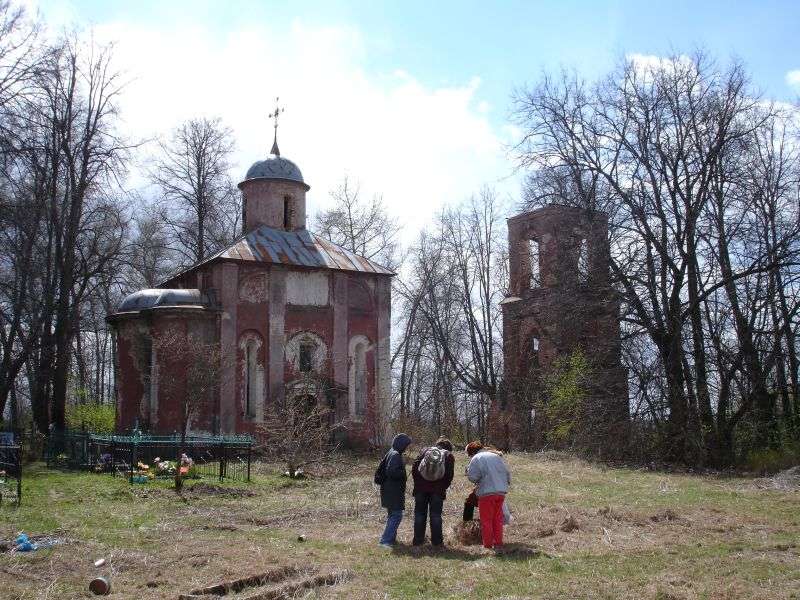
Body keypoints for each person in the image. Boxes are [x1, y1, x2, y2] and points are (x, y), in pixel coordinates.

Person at [465, 440, 511, 550]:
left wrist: (467, 472)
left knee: (486, 520)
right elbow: (507, 474)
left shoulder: (476, 458)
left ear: (471, 453)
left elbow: (473, 477)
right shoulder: (496, 456)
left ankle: (488, 545)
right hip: (501, 493)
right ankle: (498, 543)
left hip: (486, 493)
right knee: (497, 519)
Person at [411, 436, 455, 546]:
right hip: (437, 490)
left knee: (419, 514)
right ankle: (437, 542)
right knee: (435, 515)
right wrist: (443, 487)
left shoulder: (424, 451)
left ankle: (418, 541)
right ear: (448, 447)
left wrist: (418, 484)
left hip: (420, 489)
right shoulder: (448, 456)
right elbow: (449, 476)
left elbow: (414, 469)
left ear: (437, 444)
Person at [377, 433, 412, 548]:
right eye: (406, 445)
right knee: (396, 515)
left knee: (392, 514)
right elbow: (391, 472)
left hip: (389, 490)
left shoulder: (391, 452)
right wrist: (403, 473)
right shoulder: (395, 454)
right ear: (401, 444)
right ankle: (385, 541)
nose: (406, 447)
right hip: (393, 491)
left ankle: (390, 539)